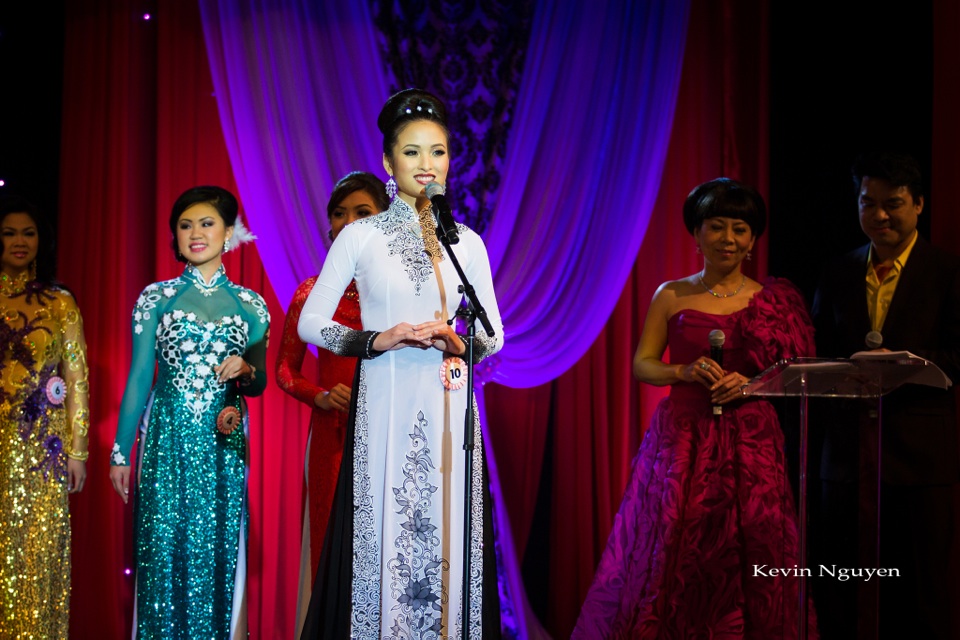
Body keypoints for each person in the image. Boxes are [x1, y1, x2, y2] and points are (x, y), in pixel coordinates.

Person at [297, 88, 504, 639]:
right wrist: (375, 340)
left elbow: (493, 333)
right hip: (386, 396)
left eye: (437, 152)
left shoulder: (467, 243)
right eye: (411, 153)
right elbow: (310, 322)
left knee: (449, 531)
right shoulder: (361, 237)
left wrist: (460, 341)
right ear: (389, 163)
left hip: (450, 402)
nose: (426, 165)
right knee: (388, 527)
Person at [573, 178, 816, 638]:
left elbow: (794, 373)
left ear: (752, 240)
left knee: (751, 542)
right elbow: (643, 364)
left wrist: (754, 383)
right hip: (683, 438)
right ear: (697, 234)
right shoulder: (671, 293)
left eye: (740, 229)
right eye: (716, 226)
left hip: (751, 439)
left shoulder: (771, 301)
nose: (728, 238)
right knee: (673, 544)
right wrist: (682, 372)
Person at [109, 186, 270, 638]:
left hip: (224, 444)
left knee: (217, 552)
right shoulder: (155, 298)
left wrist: (246, 367)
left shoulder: (251, 305)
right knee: (163, 551)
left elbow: (256, 385)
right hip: (167, 440)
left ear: (229, 232)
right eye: (185, 225)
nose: (195, 233)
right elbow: (141, 377)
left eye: (207, 223)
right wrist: (121, 453)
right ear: (175, 236)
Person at [812, 152, 960, 639]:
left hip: (919, 460)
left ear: (918, 204)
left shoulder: (947, 272)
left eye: (893, 204)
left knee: (921, 593)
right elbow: (818, 352)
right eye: (867, 203)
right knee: (841, 586)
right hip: (847, 459)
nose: (879, 216)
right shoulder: (836, 271)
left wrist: (904, 363)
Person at [275, 171, 389, 634]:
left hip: (389, 435)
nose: (348, 222)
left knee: (384, 546)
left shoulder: (400, 295)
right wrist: (319, 396)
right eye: (339, 214)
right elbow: (284, 369)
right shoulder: (311, 293)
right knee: (328, 546)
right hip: (332, 439)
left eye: (362, 213)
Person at [0, 196, 89, 637]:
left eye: (28, 233)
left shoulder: (59, 302)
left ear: (41, 240)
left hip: (39, 444)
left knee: (35, 552)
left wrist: (78, 449)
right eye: (9, 233)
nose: (20, 241)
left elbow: (76, 378)